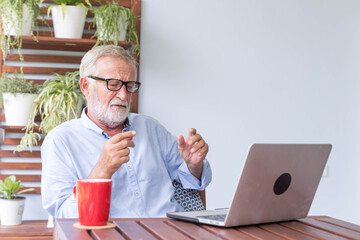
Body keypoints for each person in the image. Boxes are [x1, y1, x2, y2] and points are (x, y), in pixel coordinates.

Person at [41, 45, 212, 218]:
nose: (123, 95)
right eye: (113, 84)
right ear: (85, 86)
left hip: (169, 231)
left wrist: (193, 165)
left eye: (129, 86)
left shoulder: (150, 127)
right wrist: (101, 171)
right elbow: (63, 215)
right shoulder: (61, 140)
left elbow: (192, 183)